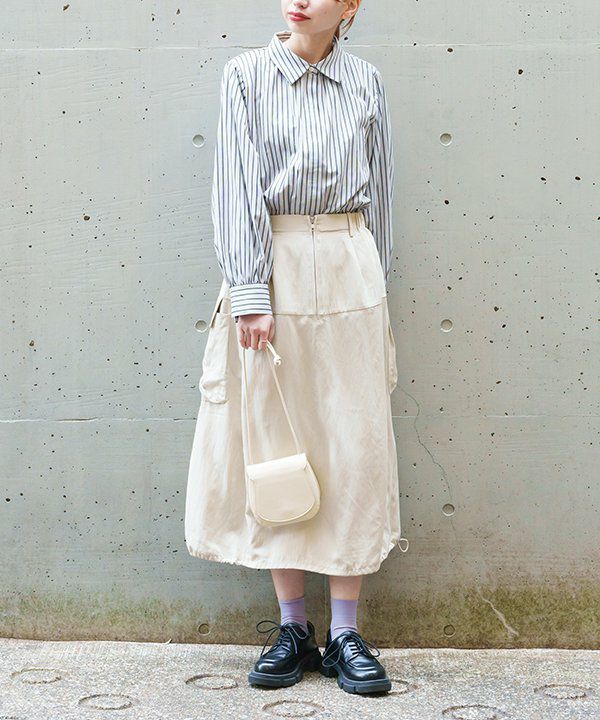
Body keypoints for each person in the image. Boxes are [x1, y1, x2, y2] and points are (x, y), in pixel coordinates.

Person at [184, 0, 409, 696]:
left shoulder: (365, 81)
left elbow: (382, 197)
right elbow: (235, 185)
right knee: (278, 444)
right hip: (273, 265)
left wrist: (372, 283)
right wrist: (250, 291)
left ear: (351, 6)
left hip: (348, 261)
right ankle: (292, 627)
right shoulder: (247, 75)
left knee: (353, 444)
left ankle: (345, 632)